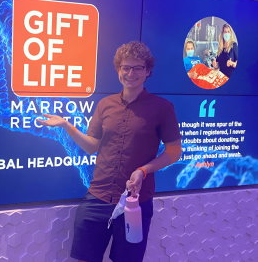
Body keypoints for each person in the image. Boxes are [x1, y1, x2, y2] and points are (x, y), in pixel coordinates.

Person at [37, 41, 182, 262]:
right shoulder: (105, 104)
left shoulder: (162, 108)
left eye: (137, 68)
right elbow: (92, 146)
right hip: (98, 198)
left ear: (147, 72)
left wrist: (143, 170)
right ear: (118, 70)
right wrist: (67, 126)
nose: (130, 73)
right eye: (125, 67)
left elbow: (174, 153)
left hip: (135, 202)